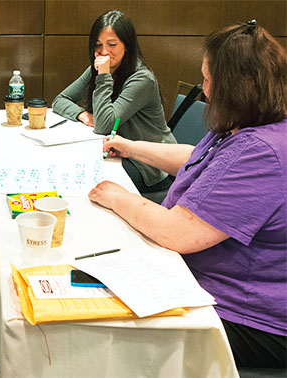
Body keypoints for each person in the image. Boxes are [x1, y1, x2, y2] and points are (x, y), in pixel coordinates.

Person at [88, 21, 286, 369]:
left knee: (110, 329)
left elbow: (178, 233)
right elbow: (198, 158)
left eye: (208, 80)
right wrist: (131, 147)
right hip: (208, 280)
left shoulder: (263, 154)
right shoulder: (246, 124)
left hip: (252, 316)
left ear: (234, 89)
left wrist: (116, 195)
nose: (205, 90)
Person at [52, 10, 176, 196]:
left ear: (127, 45)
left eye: (112, 44)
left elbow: (103, 125)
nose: (103, 52)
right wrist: (82, 115)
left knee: (89, 181)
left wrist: (103, 76)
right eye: (98, 45)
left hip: (149, 166)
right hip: (119, 152)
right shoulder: (101, 67)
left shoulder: (142, 79)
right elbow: (60, 100)